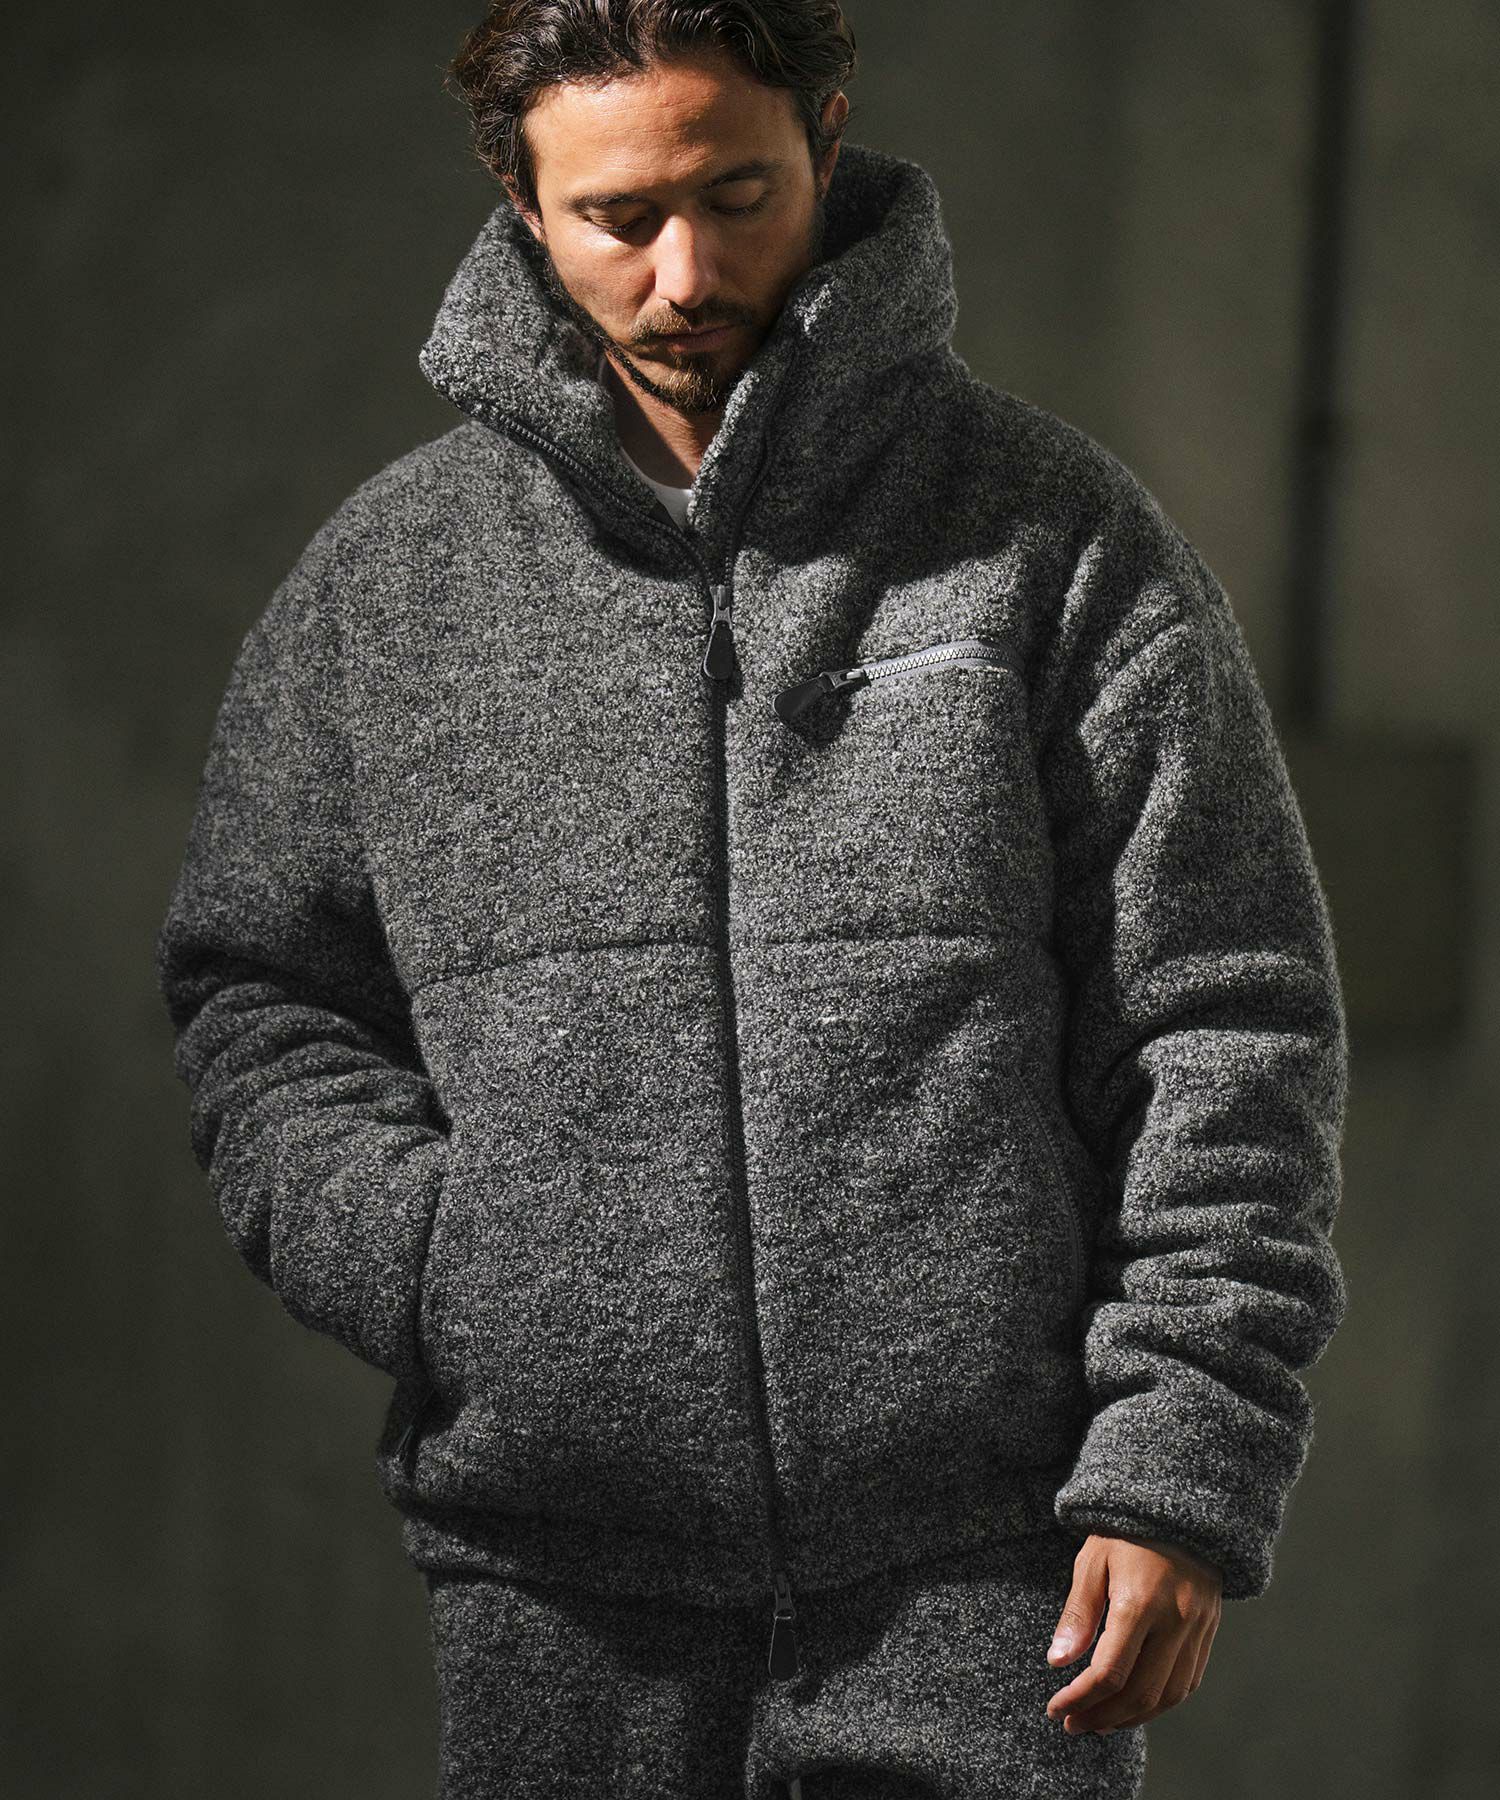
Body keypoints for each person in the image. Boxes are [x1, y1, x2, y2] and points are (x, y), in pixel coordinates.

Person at [154, 4, 1350, 1796]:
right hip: (560, 1597)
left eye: (737, 196)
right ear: (522, 201)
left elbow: (1224, 1014)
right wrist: (452, 1266)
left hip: (987, 1575)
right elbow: (261, 997)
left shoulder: (1048, 535)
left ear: (827, 140)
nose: (687, 275)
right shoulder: (389, 589)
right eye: (620, 217)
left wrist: (1184, 1456)